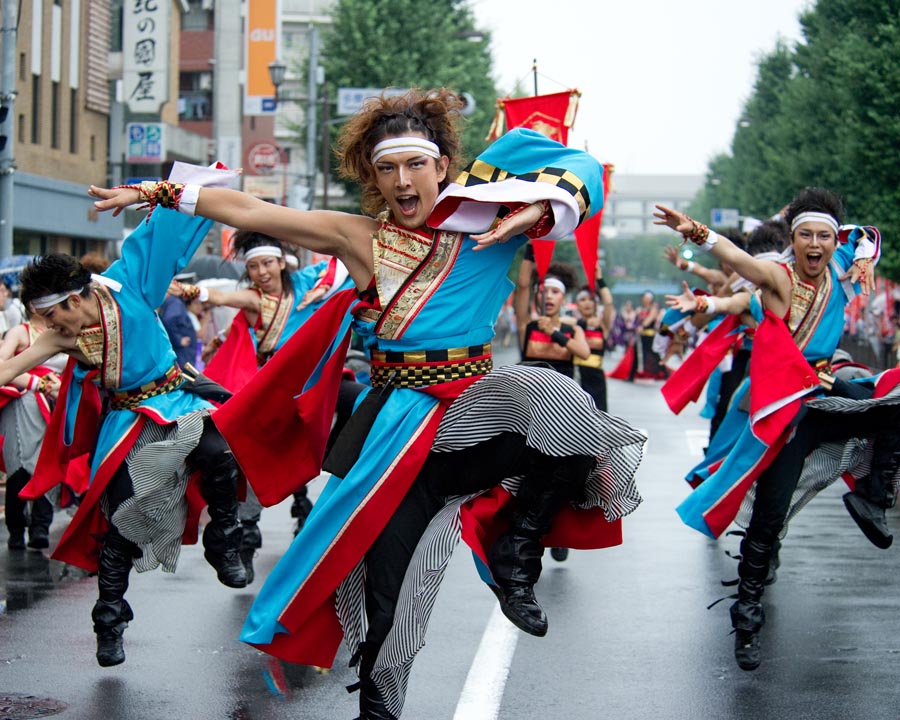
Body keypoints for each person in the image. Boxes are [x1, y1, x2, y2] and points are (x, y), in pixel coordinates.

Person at [89, 88, 646, 719]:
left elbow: (586, 172)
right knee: (392, 599)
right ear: (372, 177)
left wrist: (538, 212)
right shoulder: (360, 238)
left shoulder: (491, 222)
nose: (403, 181)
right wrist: (161, 194)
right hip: (400, 435)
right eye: (387, 169)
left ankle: (519, 547)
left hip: (473, 413)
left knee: (563, 406)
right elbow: (251, 208)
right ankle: (380, 708)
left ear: (443, 168)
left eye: (416, 165)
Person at [654, 187, 894, 672]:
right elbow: (741, 267)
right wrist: (697, 237)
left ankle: (873, 493)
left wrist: (866, 255)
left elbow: (869, 234)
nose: (814, 243)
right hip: (789, 406)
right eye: (804, 234)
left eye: (824, 236)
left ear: (833, 240)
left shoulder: (843, 262)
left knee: (892, 400)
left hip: (829, 389)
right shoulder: (780, 277)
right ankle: (746, 617)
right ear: (794, 238)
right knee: (768, 517)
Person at [8, 205, 249, 668]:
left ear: (74, 299)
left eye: (54, 315)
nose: (50, 327)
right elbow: (10, 367)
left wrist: (175, 193)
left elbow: (163, 233)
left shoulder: (127, 284)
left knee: (219, 450)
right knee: (122, 522)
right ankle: (110, 621)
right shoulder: (61, 338)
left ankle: (225, 538)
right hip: (128, 419)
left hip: (179, 396)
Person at [171, 229, 357, 583]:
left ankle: (335, 458)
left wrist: (329, 280)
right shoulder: (255, 298)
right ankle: (248, 537)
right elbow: (226, 297)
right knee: (257, 466)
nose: (261, 272)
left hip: (311, 386)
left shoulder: (305, 285)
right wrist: (190, 292)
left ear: (282, 263)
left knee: (360, 398)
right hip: (270, 392)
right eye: (253, 266)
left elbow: (343, 261)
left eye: (268, 263)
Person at [1, 314, 64, 550]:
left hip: (58, 402)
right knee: (19, 462)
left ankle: (41, 526)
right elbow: (2, 363)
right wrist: (36, 383)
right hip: (24, 400)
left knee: (49, 464)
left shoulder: (65, 329)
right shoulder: (20, 332)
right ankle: (16, 527)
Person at [520, 262, 591, 376]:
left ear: (563, 299)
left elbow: (584, 353)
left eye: (555, 292)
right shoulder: (527, 325)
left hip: (562, 393)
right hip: (530, 392)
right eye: (543, 292)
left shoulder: (575, 330)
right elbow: (523, 286)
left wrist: (553, 332)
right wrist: (529, 249)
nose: (548, 296)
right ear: (537, 297)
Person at [573, 263, 614, 412]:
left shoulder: (602, 326)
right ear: (577, 304)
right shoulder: (572, 326)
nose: (587, 303)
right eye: (582, 300)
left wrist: (600, 279)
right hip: (576, 378)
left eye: (591, 299)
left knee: (599, 421)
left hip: (597, 379)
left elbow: (608, 302)